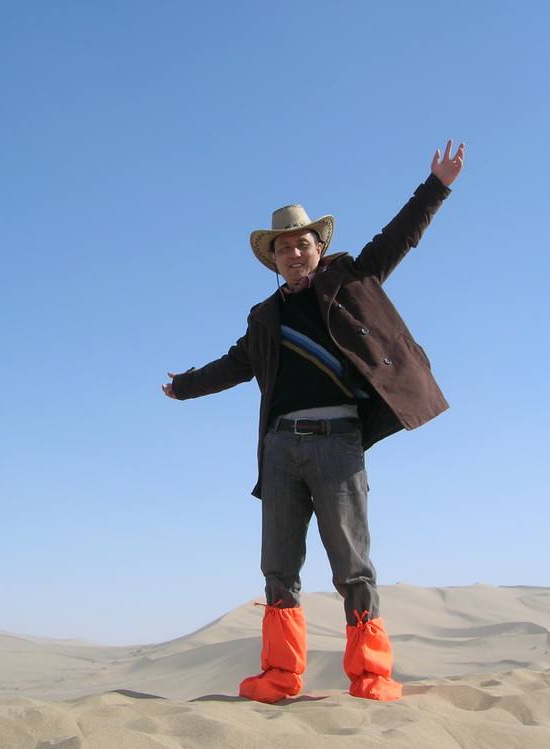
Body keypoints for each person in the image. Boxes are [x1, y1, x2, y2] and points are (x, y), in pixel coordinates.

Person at [162, 141, 465, 703]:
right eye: (284, 248)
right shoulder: (265, 317)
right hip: (280, 450)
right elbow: (233, 365)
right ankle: (279, 675)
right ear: (273, 260)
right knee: (278, 568)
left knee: (352, 565)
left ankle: (371, 675)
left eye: (302, 243)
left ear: (318, 248)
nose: (294, 253)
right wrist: (183, 386)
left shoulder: (351, 278)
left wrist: (436, 187)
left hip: (338, 444)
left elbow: (398, 237)